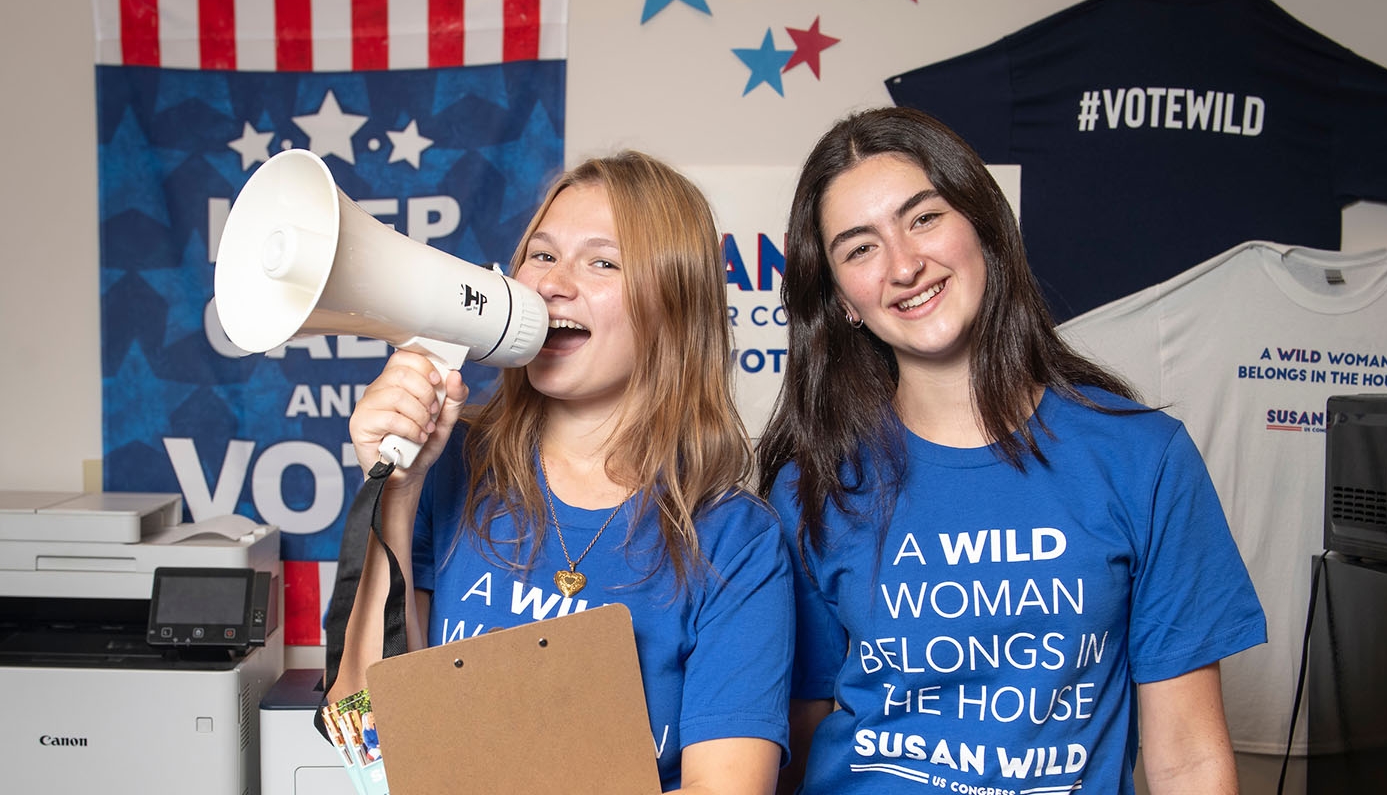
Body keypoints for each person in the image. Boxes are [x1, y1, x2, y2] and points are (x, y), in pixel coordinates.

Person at [756, 106, 1266, 794]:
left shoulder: (1142, 460)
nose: (904, 265)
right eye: (860, 248)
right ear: (844, 299)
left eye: (924, 218)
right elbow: (792, 742)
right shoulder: (811, 486)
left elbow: (1188, 758)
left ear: (985, 228)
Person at [332, 150, 794, 794]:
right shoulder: (451, 466)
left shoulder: (736, 541)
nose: (551, 285)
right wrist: (397, 491)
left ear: (676, 306)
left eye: (603, 261)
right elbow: (360, 731)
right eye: (542, 256)